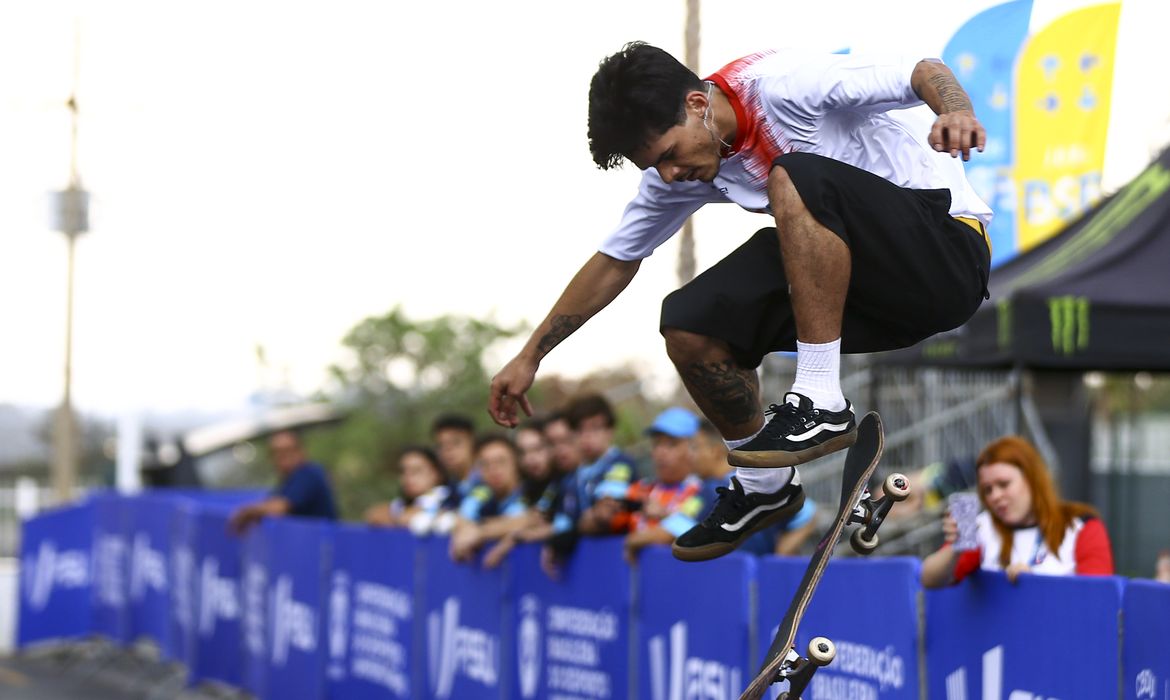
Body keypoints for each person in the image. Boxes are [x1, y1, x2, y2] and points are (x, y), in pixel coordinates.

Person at [488, 42, 992, 561]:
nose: (669, 176)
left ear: (697, 105)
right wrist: (531, 355)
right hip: (860, 289)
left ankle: (821, 396)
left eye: (668, 156)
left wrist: (955, 111)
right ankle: (763, 487)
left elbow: (924, 70)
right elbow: (615, 260)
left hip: (943, 258)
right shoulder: (684, 166)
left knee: (793, 175)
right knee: (688, 324)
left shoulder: (785, 83)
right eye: (653, 166)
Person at [920, 436, 1114, 587]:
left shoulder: (1081, 525)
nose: (995, 496)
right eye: (987, 489)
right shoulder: (983, 525)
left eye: (1004, 484)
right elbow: (928, 579)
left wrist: (1035, 585)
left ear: (1032, 479)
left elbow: (1096, 598)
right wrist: (957, 548)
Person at [691, 418, 817, 557]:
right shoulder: (764, 483)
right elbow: (809, 512)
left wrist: (778, 556)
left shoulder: (711, 490)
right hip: (750, 574)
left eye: (696, 447)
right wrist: (776, 557)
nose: (691, 455)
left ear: (715, 451)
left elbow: (669, 537)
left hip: (727, 574)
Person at [618, 407, 709, 564]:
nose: (660, 452)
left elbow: (688, 531)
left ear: (694, 448)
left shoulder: (703, 490)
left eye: (671, 445)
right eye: (656, 444)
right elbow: (609, 520)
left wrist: (635, 539)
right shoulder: (641, 489)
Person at [229, 430, 338, 534]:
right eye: (277, 453)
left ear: (301, 451)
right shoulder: (288, 481)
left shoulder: (308, 474)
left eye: (288, 450)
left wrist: (247, 513)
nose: (283, 457)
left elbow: (279, 507)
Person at [449, 434, 529, 562]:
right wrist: (463, 531)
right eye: (485, 464)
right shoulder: (481, 492)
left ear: (516, 463)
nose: (493, 469)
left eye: (501, 462)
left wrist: (480, 532)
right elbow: (463, 516)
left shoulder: (529, 492)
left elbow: (524, 520)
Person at [364, 446, 450, 534]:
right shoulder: (403, 503)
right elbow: (374, 515)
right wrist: (401, 517)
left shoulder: (449, 499)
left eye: (416, 471)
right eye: (403, 471)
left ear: (436, 473)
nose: (407, 477)